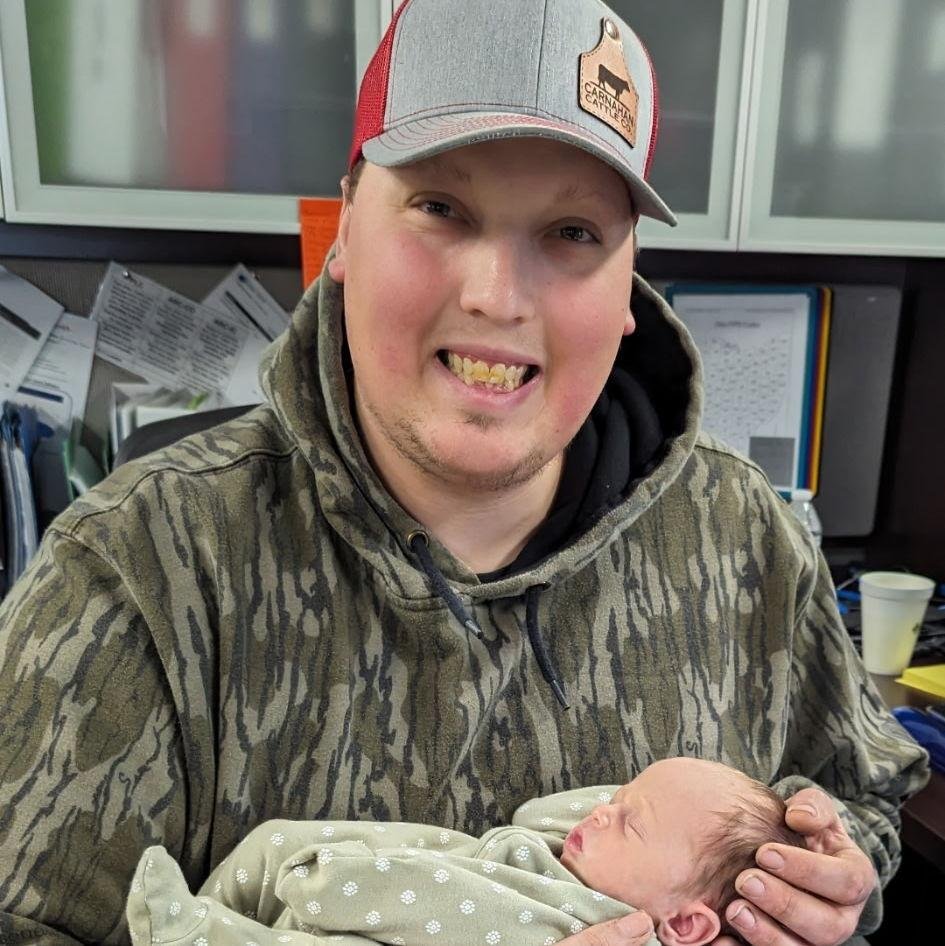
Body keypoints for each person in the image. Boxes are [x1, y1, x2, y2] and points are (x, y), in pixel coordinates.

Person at [0, 1, 928, 945]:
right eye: (440, 209)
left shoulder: (742, 536)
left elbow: (862, 799)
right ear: (344, 236)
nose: (496, 295)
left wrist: (820, 884)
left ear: (627, 286)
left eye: (571, 232)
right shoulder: (132, 572)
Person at [127, 758, 805, 946]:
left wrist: (331, 883)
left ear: (684, 925)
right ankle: (223, 904)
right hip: (350, 882)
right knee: (271, 841)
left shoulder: (583, 922)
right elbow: (537, 813)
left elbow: (441, 901)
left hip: (358, 902)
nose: (598, 812)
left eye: (626, 823)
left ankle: (198, 933)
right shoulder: (571, 856)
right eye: (613, 798)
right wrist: (640, 802)